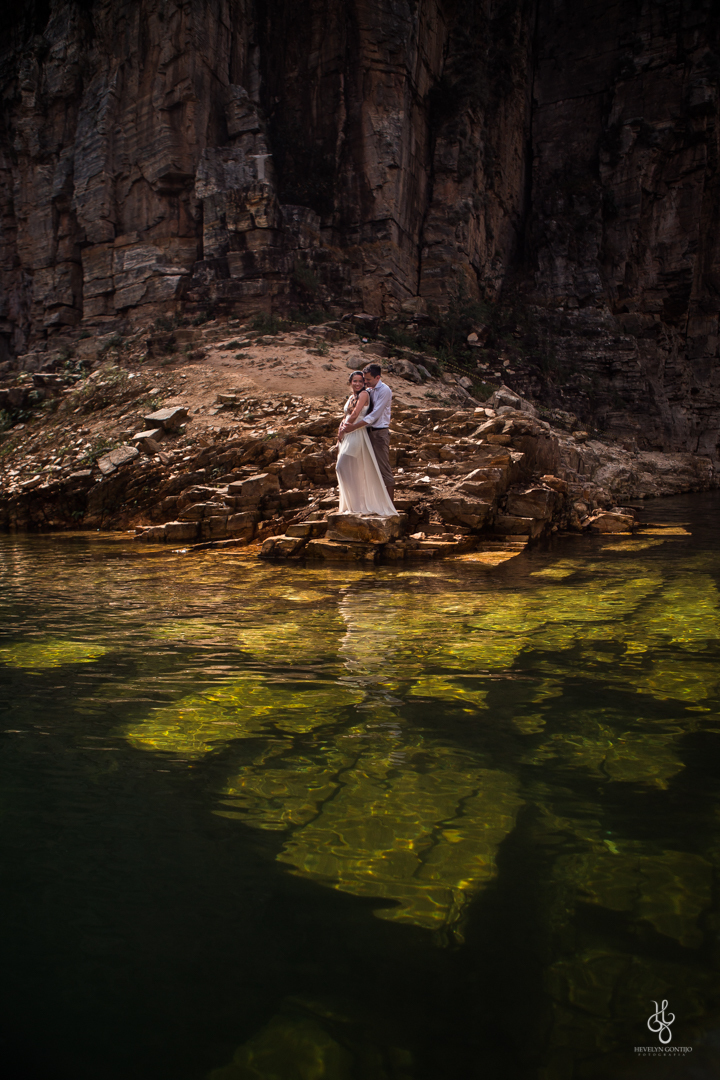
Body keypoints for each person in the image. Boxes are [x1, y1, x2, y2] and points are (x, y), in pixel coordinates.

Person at [335, 370, 396, 516]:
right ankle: (357, 504)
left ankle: (389, 507)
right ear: (350, 382)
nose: (361, 383)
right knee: (354, 468)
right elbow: (347, 415)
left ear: (377, 378)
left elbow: (367, 415)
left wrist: (347, 429)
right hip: (360, 432)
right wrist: (339, 434)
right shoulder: (360, 393)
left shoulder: (375, 392)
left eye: (363, 381)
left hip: (372, 432)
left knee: (379, 468)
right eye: (356, 381)